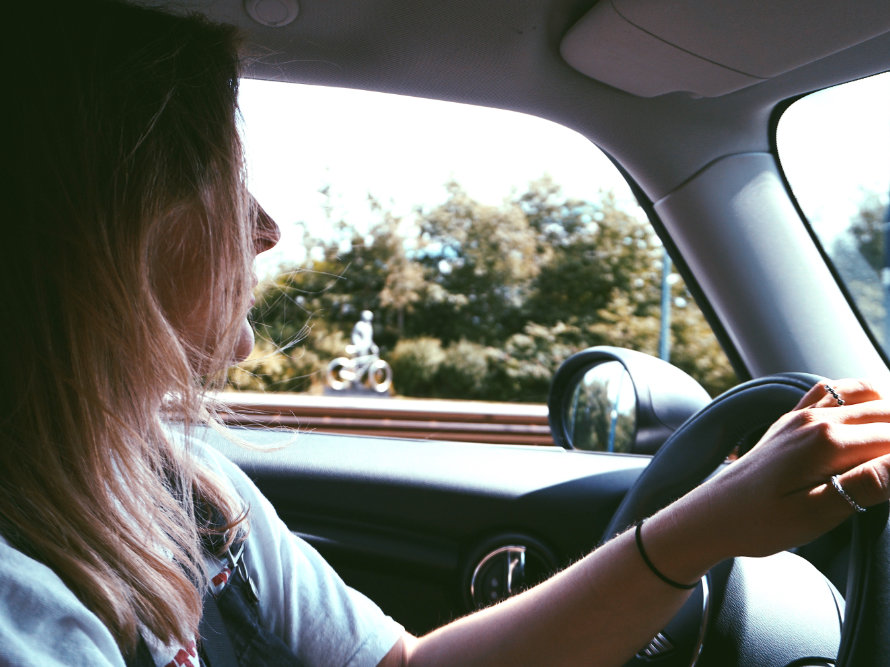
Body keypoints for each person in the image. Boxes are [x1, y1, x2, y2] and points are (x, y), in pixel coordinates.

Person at [3, 1, 890, 665]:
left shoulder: (180, 483)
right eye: (223, 175)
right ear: (108, 222)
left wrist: (703, 528)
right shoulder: (23, 597)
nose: (266, 227)